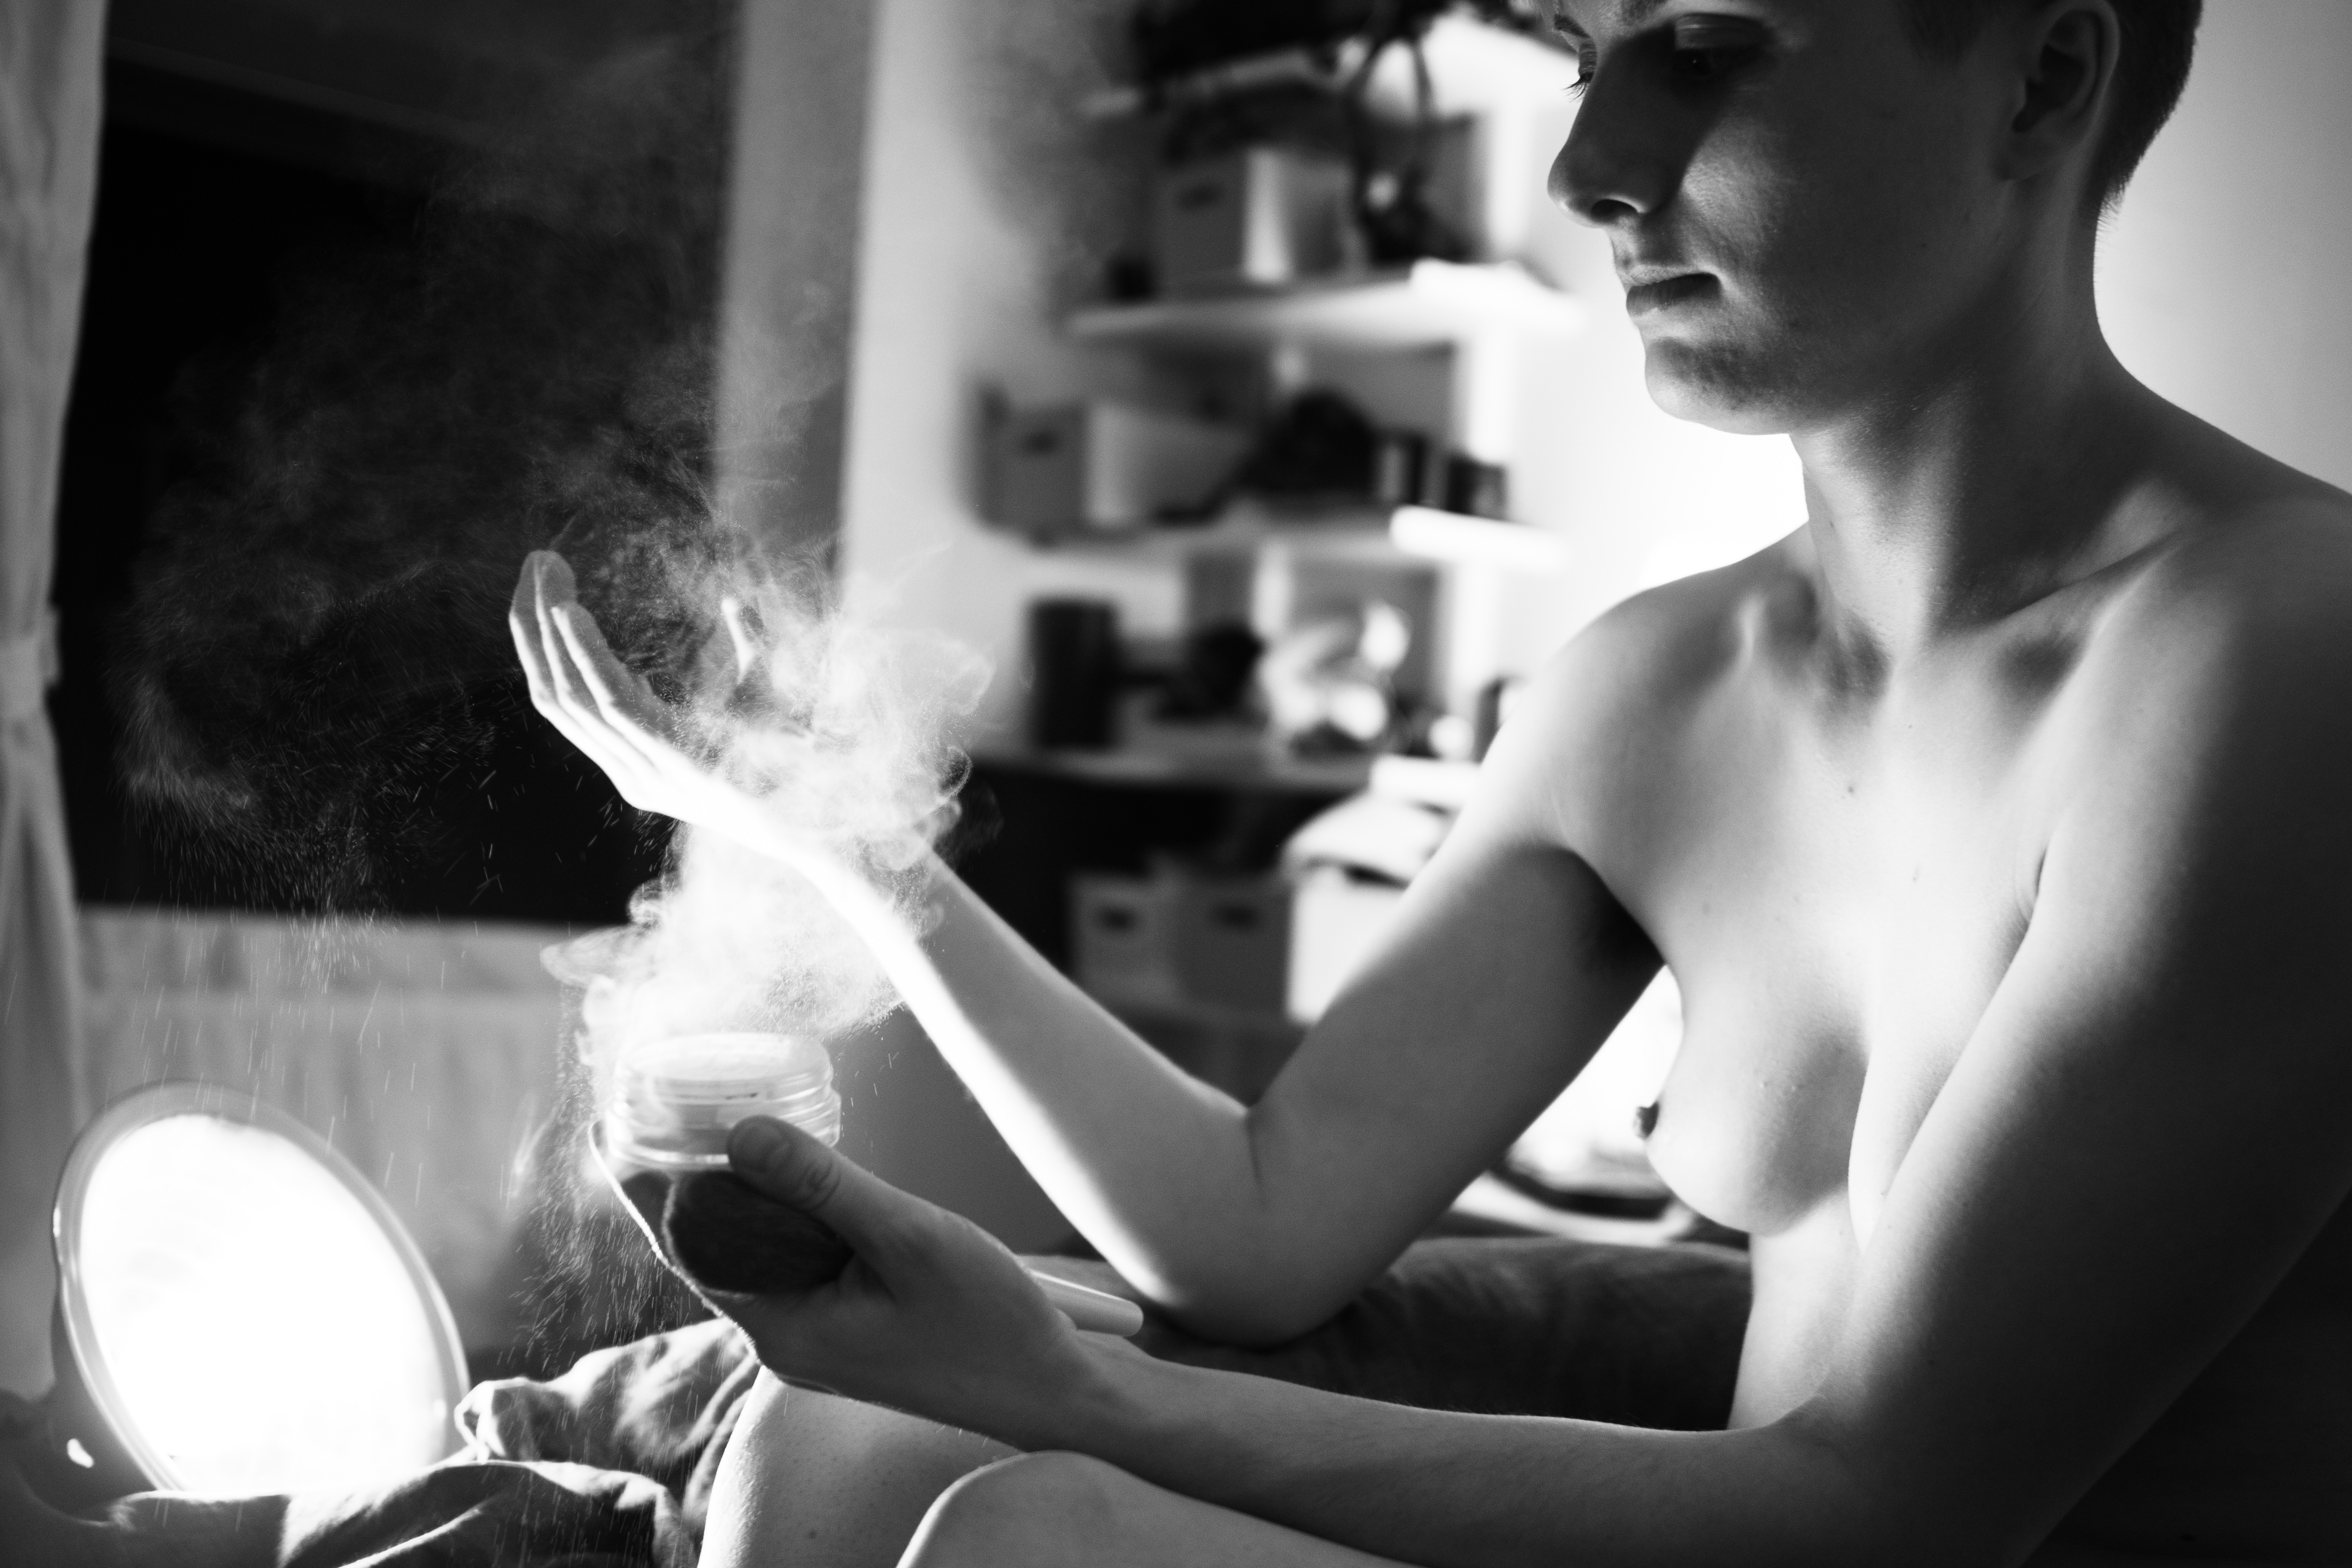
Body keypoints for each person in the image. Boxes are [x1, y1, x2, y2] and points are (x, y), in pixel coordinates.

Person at [511, 0, 2352, 1562]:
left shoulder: (2275, 651)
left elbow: (1897, 1513)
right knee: (834, 1443)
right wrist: (854, 851)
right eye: (1590, 60)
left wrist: (1080, 1396)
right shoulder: (1664, 686)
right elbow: (1258, 1226)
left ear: (2042, 78)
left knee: (1028, 1530)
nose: (1588, 172)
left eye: (1706, 50)